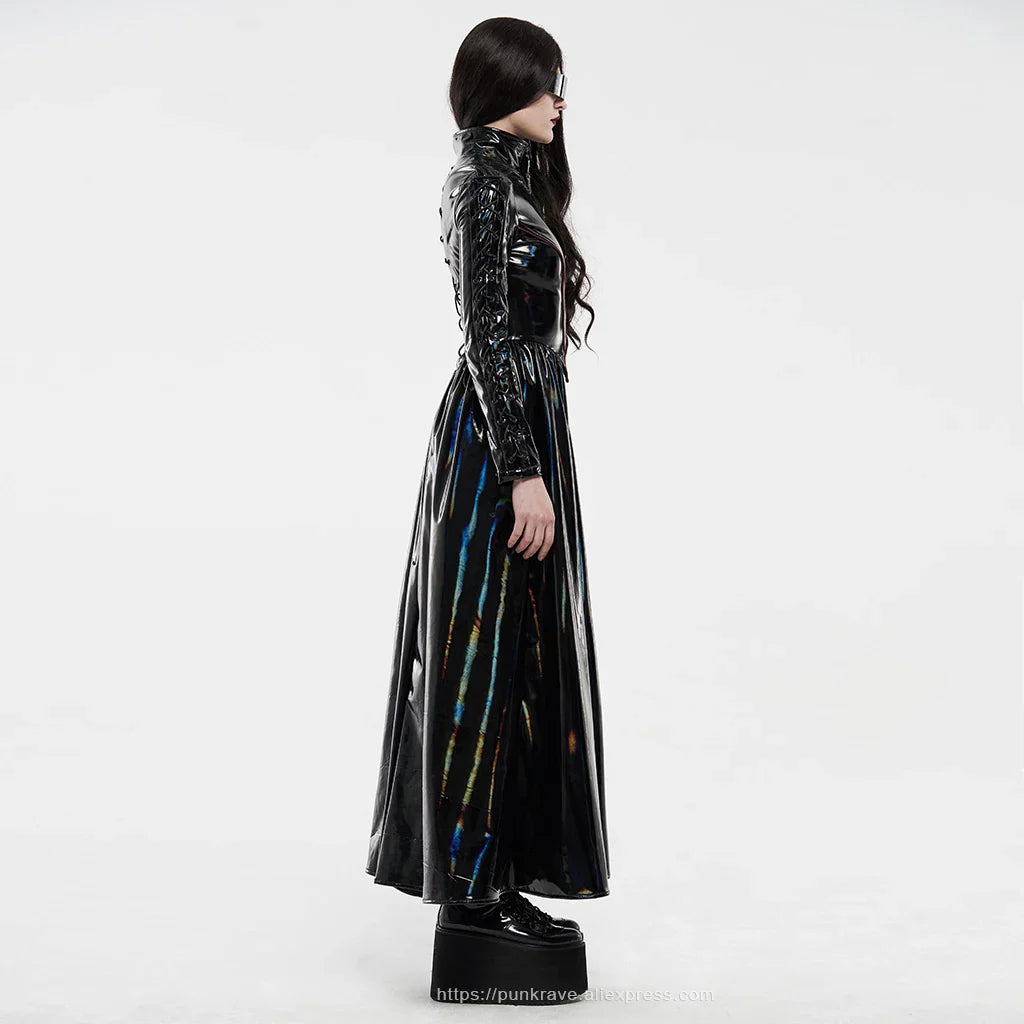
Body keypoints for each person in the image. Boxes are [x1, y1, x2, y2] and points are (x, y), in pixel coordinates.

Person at [365, 17, 610, 983]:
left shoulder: (508, 183)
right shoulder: (476, 187)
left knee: (519, 661)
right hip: (494, 446)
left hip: (520, 431)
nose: (560, 102)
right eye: (548, 84)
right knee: (482, 657)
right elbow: (485, 335)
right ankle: (470, 897)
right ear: (507, 88)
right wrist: (520, 469)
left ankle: (493, 880)